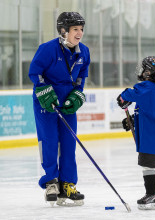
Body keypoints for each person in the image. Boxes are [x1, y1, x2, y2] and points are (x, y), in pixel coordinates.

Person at [29, 12, 90, 206]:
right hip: (46, 100)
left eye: (81, 29)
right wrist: (43, 90)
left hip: (67, 101)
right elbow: (35, 73)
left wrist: (77, 94)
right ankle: (51, 182)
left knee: (68, 143)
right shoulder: (47, 49)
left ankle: (68, 184)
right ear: (63, 31)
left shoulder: (84, 52)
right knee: (49, 141)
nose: (79, 33)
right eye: (75, 30)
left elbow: (81, 78)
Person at [117, 56, 155, 210]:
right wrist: (135, 120)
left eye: (143, 68)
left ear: (148, 73)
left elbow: (129, 94)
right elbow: (153, 113)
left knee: (148, 167)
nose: (140, 71)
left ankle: (151, 195)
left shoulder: (146, 87)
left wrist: (122, 98)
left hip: (151, 139)